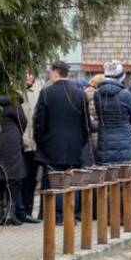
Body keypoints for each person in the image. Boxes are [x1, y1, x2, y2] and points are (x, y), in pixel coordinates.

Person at [33, 61, 91, 223]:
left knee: (54, 182)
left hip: (51, 146)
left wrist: (41, 143)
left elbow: (39, 122)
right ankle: (71, 215)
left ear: (55, 73)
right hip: (74, 147)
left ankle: (56, 217)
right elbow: (86, 123)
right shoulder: (80, 94)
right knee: (72, 182)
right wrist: (81, 143)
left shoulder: (46, 93)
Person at [0, 95, 27, 225]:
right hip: (11, 138)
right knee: (14, 176)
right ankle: (10, 213)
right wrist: (19, 134)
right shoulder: (14, 101)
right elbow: (23, 121)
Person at [93, 60, 131, 164]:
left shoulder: (97, 94)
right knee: (124, 173)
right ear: (121, 76)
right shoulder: (125, 94)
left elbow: (99, 115)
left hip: (104, 138)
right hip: (124, 139)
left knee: (107, 175)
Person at [17, 71, 43, 223]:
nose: (27, 76)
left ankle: (28, 209)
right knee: (21, 177)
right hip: (20, 142)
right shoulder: (16, 91)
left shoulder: (39, 91)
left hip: (35, 143)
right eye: (25, 73)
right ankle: (20, 211)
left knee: (32, 179)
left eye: (30, 73)